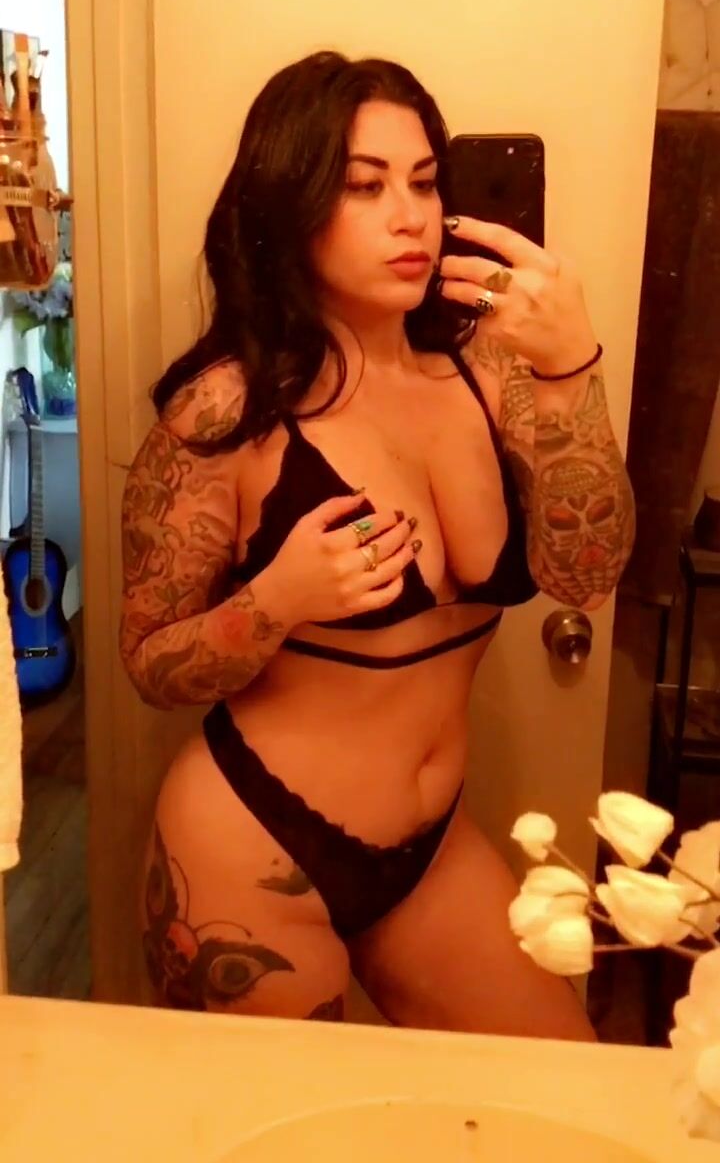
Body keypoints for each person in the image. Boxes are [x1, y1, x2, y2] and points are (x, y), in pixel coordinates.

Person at [119, 51, 635, 1034]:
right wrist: (276, 600)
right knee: (289, 1118)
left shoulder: (492, 371)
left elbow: (589, 572)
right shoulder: (226, 410)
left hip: (430, 854)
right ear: (292, 203)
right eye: (365, 186)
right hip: (252, 850)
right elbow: (149, 662)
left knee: (568, 1082)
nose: (411, 217)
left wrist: (573, 366)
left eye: (425, 181)